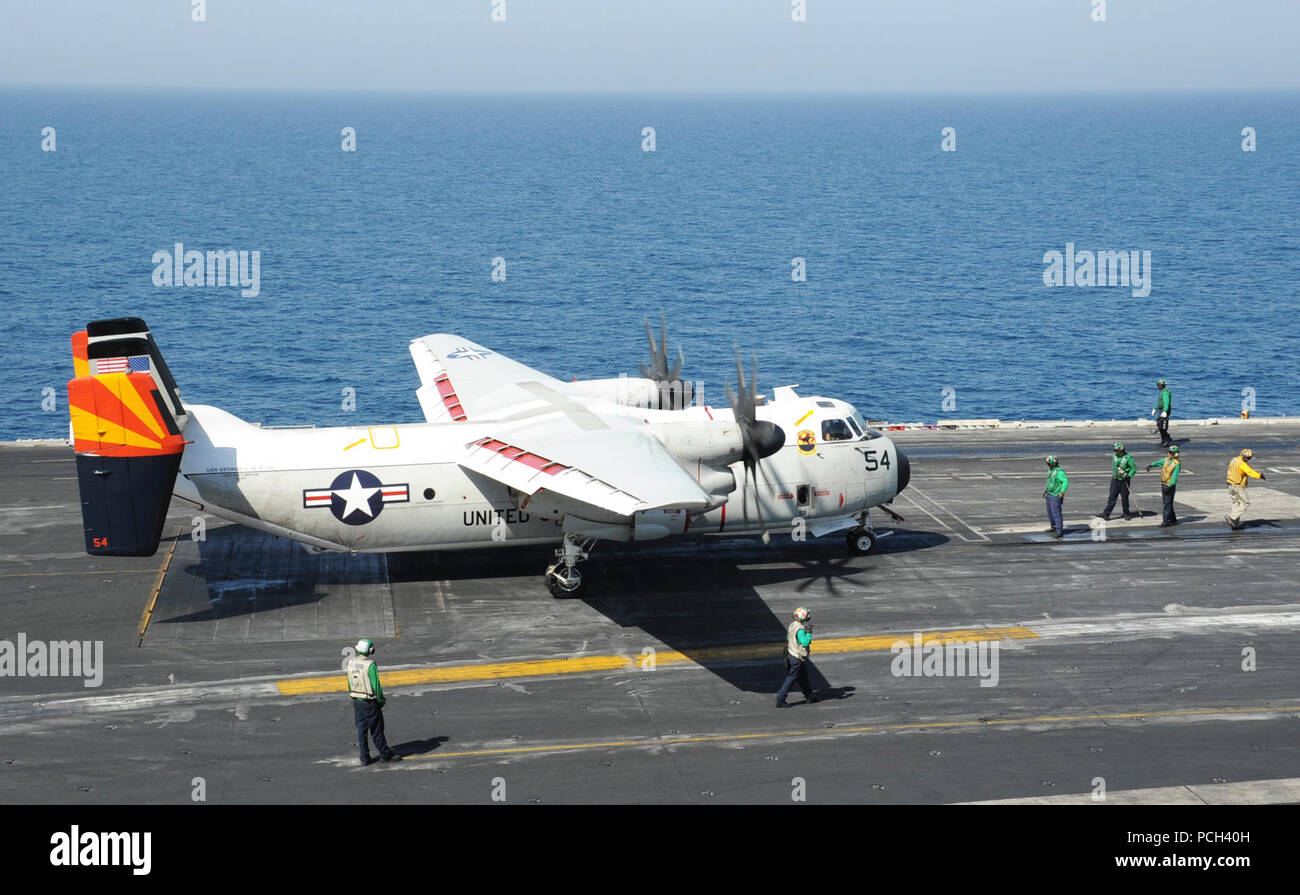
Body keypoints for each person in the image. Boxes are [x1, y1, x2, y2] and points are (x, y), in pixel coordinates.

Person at [346, 638, 401, 766]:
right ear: (370, 651)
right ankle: (384, 754)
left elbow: (349, 683)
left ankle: (364, 757)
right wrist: (381, 701)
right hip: (369, 702)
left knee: (361, 729)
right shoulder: (370, 665)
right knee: (376, 729)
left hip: (356, 700)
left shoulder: (350, 663)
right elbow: (376, 686)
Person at [776, 607, 820, 707]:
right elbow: (805, 642)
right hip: (797, 657)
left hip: (791, 654)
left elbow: (788, 637)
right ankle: (780, 698)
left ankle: (810, 696)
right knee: (791, 678)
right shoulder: (800, 629)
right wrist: (808, 633)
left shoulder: (792, 624)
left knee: (803, 677)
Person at [1097, 442, 1138, 520]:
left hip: (1124, 480)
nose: (1116, 452)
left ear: (1121, 450)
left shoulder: (1128, 458)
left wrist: (1128, 475)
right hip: (1115, 480)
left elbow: (1134, 468)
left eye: (1117, 451)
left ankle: (1126, 513)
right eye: (1115, 450)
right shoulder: (1114, 456)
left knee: (1125, 498)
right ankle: (1106, 513)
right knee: (1112, 497)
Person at [1226, 448, 1264, 530]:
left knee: (1236, 502)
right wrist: (1259, 475)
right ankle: (1231, 517)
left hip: (1230, 484)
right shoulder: (1242, 464)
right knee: (1245, 503)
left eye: (1249, 458)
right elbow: (1250, 472)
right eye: (1247, 457)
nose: (1248, 459)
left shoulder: (1234, 459)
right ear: (1243, 456)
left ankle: (1235, 522)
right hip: (1238, 486)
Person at [1145, 445, 1181, 527]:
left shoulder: (1176, 464)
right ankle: (1173, 519)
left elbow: (1174, 477)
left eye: (1170, 453)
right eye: (1169, 452)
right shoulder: (1166, 460)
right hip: (1164, 484)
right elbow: (1158, 462)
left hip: (1169, 486)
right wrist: (1151, 465)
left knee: (1167, 504)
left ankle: (1166, 521)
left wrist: (1170, 485)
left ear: (1174, 454)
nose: (1168, 453)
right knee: (1168, 503)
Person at [1043, 455, 1068, 538]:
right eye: (1047, 464)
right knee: (1050, 513)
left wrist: (1062, 492)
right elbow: (1050, 482)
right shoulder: (1051, 471)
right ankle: (1054, 527)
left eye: (1049, 464)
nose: (1048, 465)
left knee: (1056, 513)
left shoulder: (1059, 472)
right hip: (1049, 494)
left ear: (1054, 463)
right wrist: (1046, 491)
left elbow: (1065, 481)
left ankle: (1059, 531)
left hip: (1056, 495)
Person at [1151, 379, 1173, 447]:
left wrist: (1165, 411)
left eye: (1158, 385)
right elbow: (1160, 403)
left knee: (1163, 427)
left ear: (1161, 385)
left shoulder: (1165, 393)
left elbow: (1166, 403)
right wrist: (1155, 408)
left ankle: (1166, 440)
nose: (1157, 386)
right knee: (1159, 425)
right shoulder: (1162, 392)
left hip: (1165, 411)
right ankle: (1164, 439)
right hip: (1161, 410)